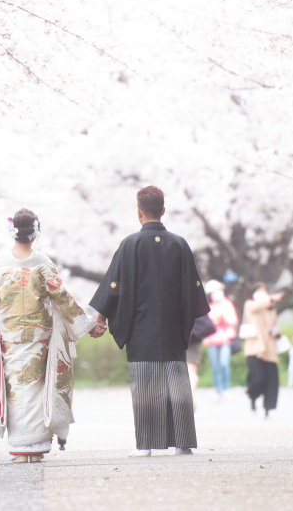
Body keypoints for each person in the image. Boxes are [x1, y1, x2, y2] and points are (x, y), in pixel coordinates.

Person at [90, 186, 210, 457]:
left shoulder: (130, 244)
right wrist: (185, 323)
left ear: (139, 213)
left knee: (144, 384)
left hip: (139, 327)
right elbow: (193, 291)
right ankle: (182, 444)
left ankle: (144, 445)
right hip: (172, 327)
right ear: (163, 211)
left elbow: (113, 286)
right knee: (177, 384)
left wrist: (100, 319)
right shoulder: (179, 244)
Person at [0, 209, 95, 463]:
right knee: (38, 390)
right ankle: (35, 448)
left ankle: (19, 448)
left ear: (12, 231)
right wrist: (85, 324)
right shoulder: (43, 263)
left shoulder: (0, 264)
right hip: (40, 338)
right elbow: (62, 296)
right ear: (36, 232)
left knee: (14, 389)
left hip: (10, 339)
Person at [243, 283, 283, 418]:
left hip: (270, 348)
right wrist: (270, 299)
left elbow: (275, 325)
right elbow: (256, 307)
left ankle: (268, 408)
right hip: (254, 348)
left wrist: (276, 333)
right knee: (257, 378)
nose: (263, 294)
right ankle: (253, 397)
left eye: (264, 291)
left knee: (271, 380)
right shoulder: (250, 304)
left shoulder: (271, 308)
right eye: (259, 291)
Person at [203, 280, 238, 399]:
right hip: (211, 341)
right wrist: (214, 322)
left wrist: (223, 319)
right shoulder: (208, 306)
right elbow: (204, 323)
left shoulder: (227, 304)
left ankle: (226, 388)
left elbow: (234, 321)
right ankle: (218, 391)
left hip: (225, 340)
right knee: (215, 367)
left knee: (224, 364)